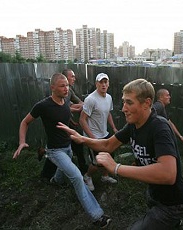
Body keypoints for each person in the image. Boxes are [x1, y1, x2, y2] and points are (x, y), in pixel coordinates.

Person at [58, 78, 183, 229]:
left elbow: (168, 174)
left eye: (129, 102)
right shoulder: (133, 125)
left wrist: (116, 167)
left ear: (146, 103)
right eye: (123, 102)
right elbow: (108, 144)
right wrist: (82, 138)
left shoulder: (160, 128)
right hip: (154, 193)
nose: (123, 108)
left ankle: (174, 220)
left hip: (173, 203)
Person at [13, 73, 111, 228]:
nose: (66, 88)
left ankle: (55, 181)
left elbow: (65, 113)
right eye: (62, 86)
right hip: (55, 151)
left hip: (68, 147)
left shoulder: (65, 101)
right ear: (52, 87)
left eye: (67, 85)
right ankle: (97, 216)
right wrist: (22, 142)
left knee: (64, 169)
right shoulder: (43, 106)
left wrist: (75, 116)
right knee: (77, 177)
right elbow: (25, 122)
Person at [79, 73, 118, 191]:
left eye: (106, 82)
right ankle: (87, 176)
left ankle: (105, 176)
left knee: (108, 156)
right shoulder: (90, 99)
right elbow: (82, 119)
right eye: (101, 82)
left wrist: (114, 128)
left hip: (104, 134)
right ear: (96, 84)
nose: (103, 84)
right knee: (97, 162)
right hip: (93, 136)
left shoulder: (109, 98)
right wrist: (91, 137)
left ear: (108, 84)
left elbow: (108, 114)